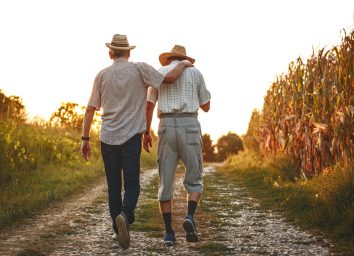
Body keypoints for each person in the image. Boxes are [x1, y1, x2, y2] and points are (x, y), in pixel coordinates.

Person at [80, 35, 193, 249]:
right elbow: (169, 78)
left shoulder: (101, 75)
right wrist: (185, 63)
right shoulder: (140, 69)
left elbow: (90, 109)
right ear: (129, 52)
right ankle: (125, 214)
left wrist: (85, 138)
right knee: (132, 184)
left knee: (114, 186)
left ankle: (118, 229)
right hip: (131, 137)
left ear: (110, 53)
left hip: (108, 137)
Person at [143, 45, 211, 246]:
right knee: (194, 176)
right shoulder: (196, 73)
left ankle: (169, 234)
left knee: (165, 179)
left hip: (165, 126)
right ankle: (189, 216)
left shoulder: (158, 74)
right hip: (189, 123)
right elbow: (206, 106)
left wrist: (146, 132)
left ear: (168, 59)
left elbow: (149, 104)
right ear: (184, 58)